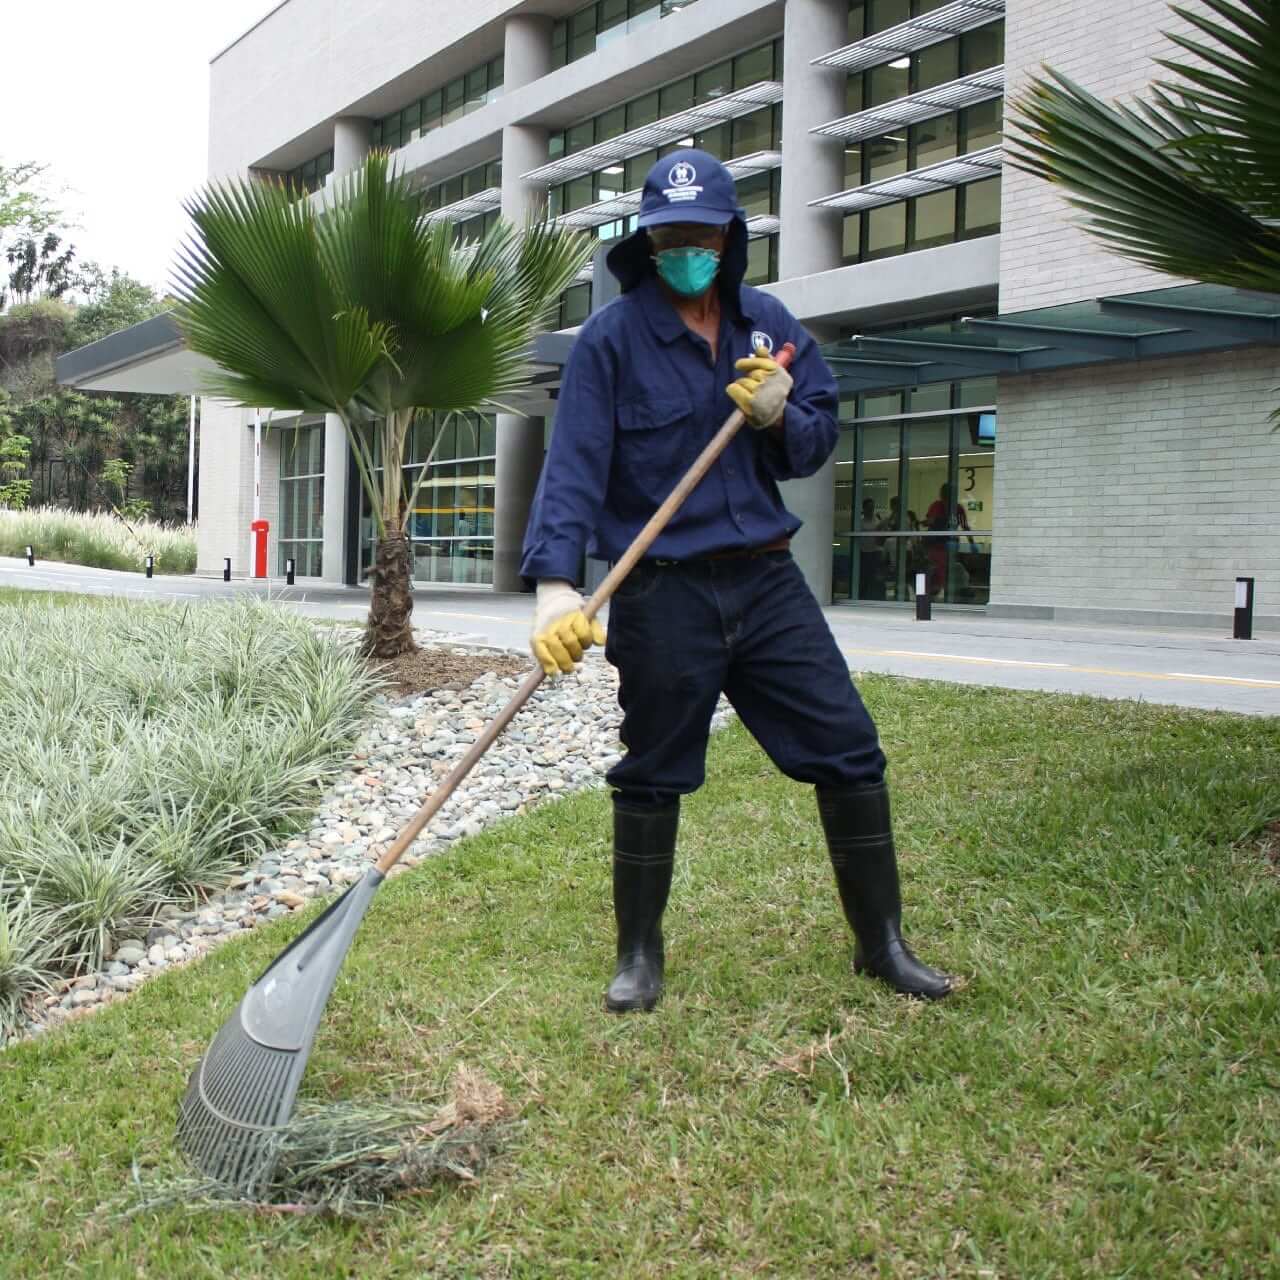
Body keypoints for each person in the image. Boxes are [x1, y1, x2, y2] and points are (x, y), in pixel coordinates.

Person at [520, 149, 952, 1012]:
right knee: (652, 772)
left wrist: (781, 409)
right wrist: (556, 585)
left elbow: (816, 439)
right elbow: (572, 466)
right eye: (669, 234)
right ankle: (639, 957)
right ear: (646, 242)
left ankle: (883, 945)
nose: (686, 247)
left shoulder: (769, 329)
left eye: (701, 233)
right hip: (661, 591)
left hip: (765, 584)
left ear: (728, 237)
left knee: (851, 750)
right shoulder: (611, 340)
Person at [924, 484, 969, 599]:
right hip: (940, 543)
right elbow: (965, 526)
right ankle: (938, 590)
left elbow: (930, 521)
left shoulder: (953, 507)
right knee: (940, 567)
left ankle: (940, 590)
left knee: (941, 567)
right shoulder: (942, 506)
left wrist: (972, 541)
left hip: (943, 543)